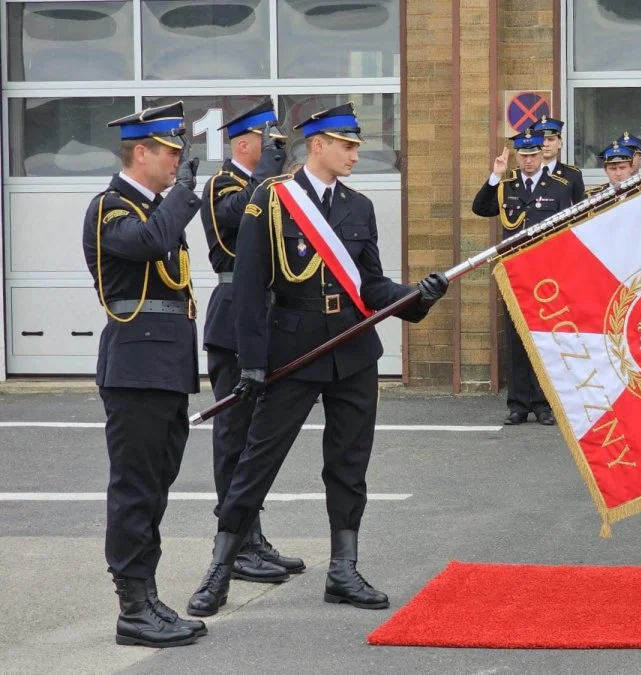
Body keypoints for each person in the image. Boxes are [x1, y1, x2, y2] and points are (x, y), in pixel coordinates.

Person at [187, 102, 449, 617]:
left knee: (349, 463)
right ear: (318, 145)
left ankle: (343, 570)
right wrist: (253, 365)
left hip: (352, 348)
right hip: (293, 347)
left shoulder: (358, 207)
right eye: (347, 145)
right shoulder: (272, 199)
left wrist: (419, 296)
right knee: (258, 459)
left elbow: (370, 286)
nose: (355, 154)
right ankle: (221, 565)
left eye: (356, 145)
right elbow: (249, 285)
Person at [82, 101, 207, 646]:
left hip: (165, 367)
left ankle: (147, 594)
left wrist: (174, 200)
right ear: (141, 152)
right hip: (136, 367)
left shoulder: (155, 208)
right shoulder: (113, 207)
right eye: (170, 152)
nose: (178, 162)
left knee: (156, 486)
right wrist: (182, 199)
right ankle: (133, 605)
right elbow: (150, 244)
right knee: (135, 488)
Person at [199, 100, 303, 583]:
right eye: (267, 143)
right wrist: (267, 176)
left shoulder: (264, 183)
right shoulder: (224, 183)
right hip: (234, 319)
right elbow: (236, 221)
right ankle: (235, 544)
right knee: (234, 436)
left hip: (268, 316)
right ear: (244, 144)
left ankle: (251, 537)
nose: (276, 151)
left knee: (257, 441)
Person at [472, 129, 574, 425]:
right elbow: (480, 208)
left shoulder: (559, 187)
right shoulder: (507, 186)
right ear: (516, 156)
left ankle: (543, 404)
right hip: (514, 273)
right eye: (523, 155)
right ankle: (518, 404)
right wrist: (495, 176)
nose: (528, 160)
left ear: (542, 154)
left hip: (546, 274)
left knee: (543, 340)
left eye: (533, 154)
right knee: (516, 339)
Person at [532, 115, 585, 203]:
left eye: (551, 139)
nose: (546, 144)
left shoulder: (573, 175)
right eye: (542, 140)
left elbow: (580, 209)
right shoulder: (522, 173)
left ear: (560, 143)